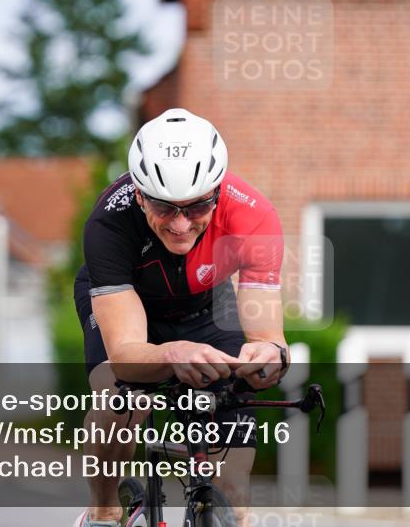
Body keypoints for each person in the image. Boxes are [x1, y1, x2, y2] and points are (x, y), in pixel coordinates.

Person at [74, 108, 288, 527]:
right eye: (164, 207)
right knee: (119, 399)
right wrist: (171, 352)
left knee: (233, 486)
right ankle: (103, 510)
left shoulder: (254, 217)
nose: (180, 224)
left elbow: (268, 337)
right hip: (129, 303)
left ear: (218, 191)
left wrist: (266, 357)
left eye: (196, 207)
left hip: (204, 308)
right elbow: (124, 356)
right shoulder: (108, 223)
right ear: (139, 195)